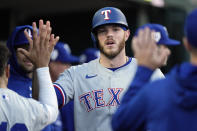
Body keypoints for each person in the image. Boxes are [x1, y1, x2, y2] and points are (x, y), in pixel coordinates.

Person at [34, 7, 164, 131]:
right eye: (102, 31)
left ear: (127, 34)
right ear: (94, 37)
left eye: (116, 29)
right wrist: (41, 67)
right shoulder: (75, 74)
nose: (109, 35)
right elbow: (45, 104)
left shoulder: (149, 71)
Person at [111, 8, 197, 131]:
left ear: (186, 43)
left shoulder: (158, 89)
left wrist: (144, 70)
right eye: (162, 46)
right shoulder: (159, 87)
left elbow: (121, 123)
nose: (167, 51)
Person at [0, 19, 59, 131]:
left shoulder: (46, 84)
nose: (30, 54)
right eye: (24, 48)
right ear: (12, 51)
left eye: (35, 48)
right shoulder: (4, 85)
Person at [50, 41, 80, 131]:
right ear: (52, 64)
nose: (69, 67)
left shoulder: (69, 95)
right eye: (64, 63)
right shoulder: (35, 89)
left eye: (70, 63)